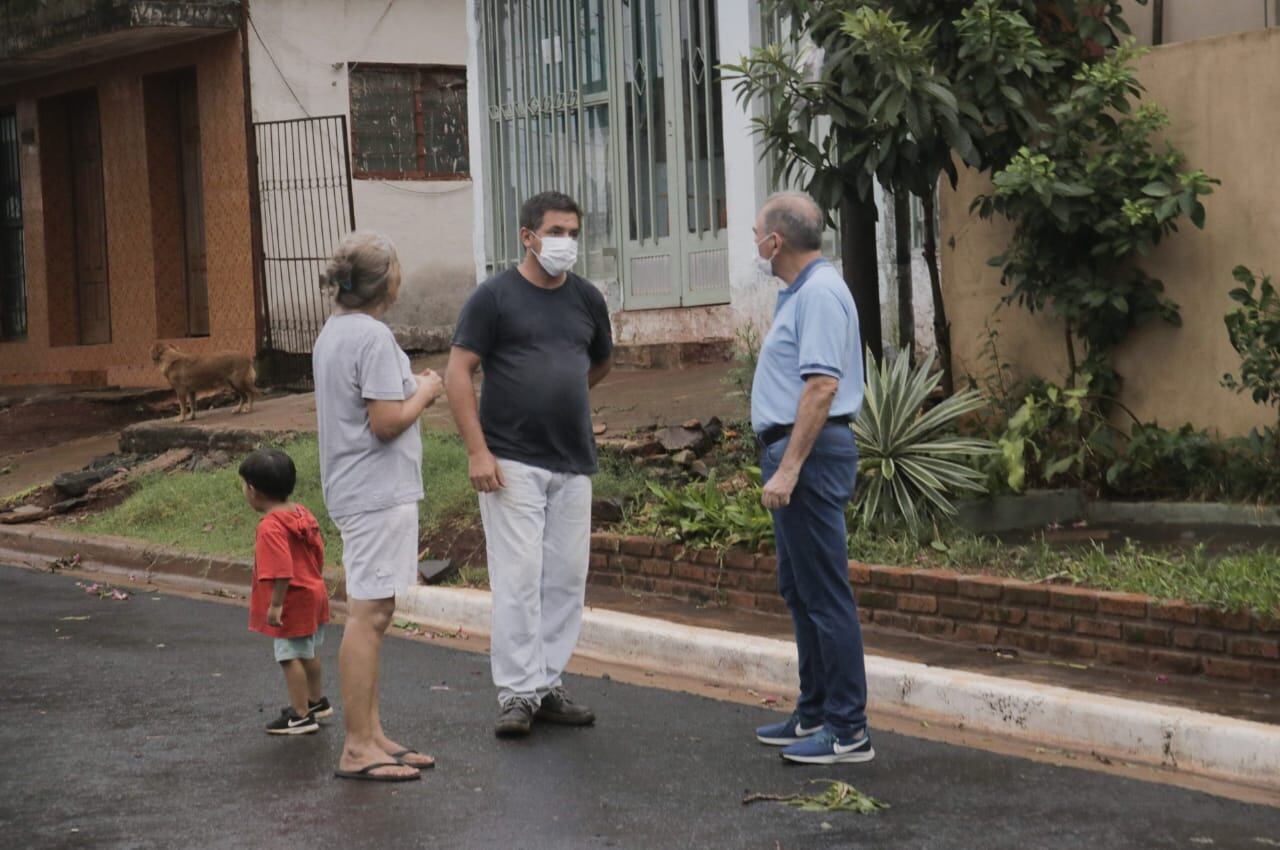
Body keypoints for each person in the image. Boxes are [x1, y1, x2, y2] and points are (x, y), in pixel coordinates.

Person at [446, 191, 613, 738]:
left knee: (565, 579)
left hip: (572, 460)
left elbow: (599, 364)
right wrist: (477, 450)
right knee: (518, 579)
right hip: (510, 460)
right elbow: (457, 373)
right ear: (528, 237)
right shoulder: (494, 297)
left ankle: (547, 683)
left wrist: (559, 392)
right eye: (556, 232)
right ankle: (517, 693)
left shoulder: (587, 299)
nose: (566, 242)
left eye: (573, 232)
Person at [313, 231, 444, 782]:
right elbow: (386, 421)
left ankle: (372, 734)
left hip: (356, 488)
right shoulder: (372, 337)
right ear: (387, 283)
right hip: (373, 492)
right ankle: (358, 747)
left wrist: (408, 385)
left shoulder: (336, 333)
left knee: (376, 614)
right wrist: (428, 391)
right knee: (367, 618)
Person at [749, 192, 874, 765]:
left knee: (825, 594)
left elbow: (822, 386)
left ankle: (848, 730)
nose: (755, 242)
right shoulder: (801, 294)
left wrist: (792, 467)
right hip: (794, 453)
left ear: (776, 241)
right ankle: (816, 710)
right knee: (800, 589)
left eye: (757, 233)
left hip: (810, 456)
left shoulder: (820, 293)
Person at [240, 448, 332, 736]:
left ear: (253, 491)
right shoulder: (301, 513)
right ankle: (316, 701)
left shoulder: (270, 527)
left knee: (288, 655)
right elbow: (318, 552)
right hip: (313, 592)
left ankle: (301, 715)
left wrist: (276, 605)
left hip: (293, 599)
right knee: (308, 651)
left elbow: (280, 570)